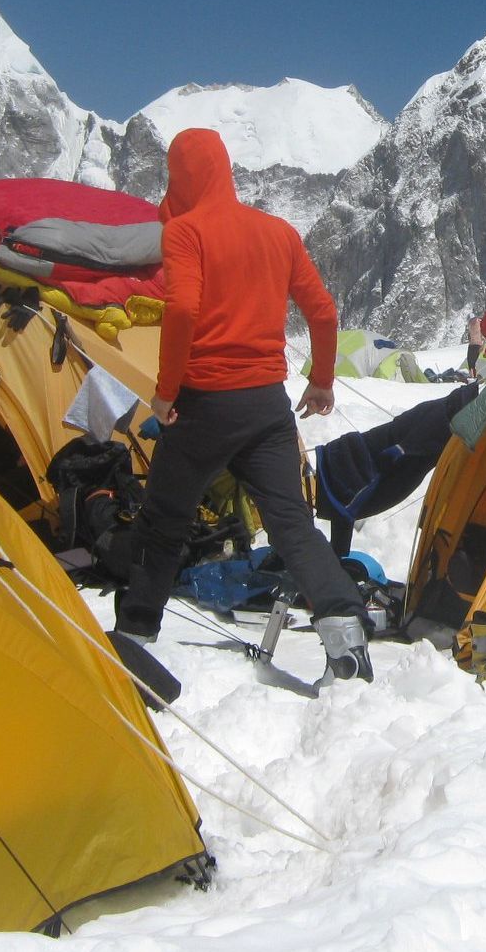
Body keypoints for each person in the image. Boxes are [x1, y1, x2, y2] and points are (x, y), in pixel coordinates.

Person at [107, 127, 372, 685]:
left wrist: (167, 389)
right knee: (292, 524)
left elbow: (181, 310)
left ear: (180, 176)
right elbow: (323, 313)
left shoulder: (184, 231)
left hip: (204, 403)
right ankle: (345, 634)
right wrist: (322, 380)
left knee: (165, 522)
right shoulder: (278, 231)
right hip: (267, 407)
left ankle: (133, 639)